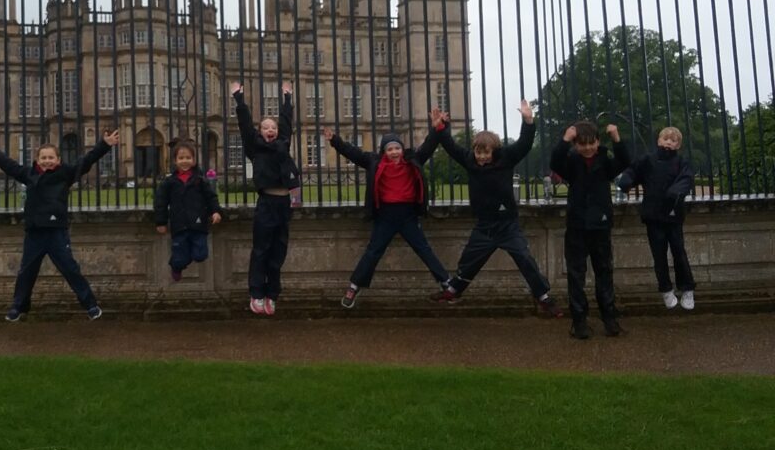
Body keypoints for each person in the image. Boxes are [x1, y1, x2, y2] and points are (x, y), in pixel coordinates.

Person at [432, 102, 563, 318]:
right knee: (469, 259)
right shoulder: (469, 161)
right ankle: (454, 291)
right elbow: (450, 147)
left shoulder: (506, 158)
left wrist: (528, 122)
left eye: (486, 153)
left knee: (524, 258)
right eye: (478, 152)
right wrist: (440, 127)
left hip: (507, 224)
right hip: (484, 225)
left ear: (494, 151)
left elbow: (524, 144)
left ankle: (544, 298)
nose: (481, 157)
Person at [0, 130, 120, 322]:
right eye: (43, 158)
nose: (47, 161)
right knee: (26, 272)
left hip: (56, 232)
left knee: (70, 270)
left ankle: (90, 305)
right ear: (37, 160)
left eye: (51, 158)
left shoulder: (65, 174)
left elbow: (86, 161)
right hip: (35, 232)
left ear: (58, 160)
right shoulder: (29, 174)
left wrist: (104, 144)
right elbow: (10, 166)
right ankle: (18, 307)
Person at [323, 113, 449, 309]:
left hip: (408, 214)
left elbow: (429, 145)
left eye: (397, 148)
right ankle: (354, 287)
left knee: (424, 249)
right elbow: (353, 153)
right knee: (373, 252)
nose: (394, 152)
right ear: (383, 151)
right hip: (386, 215)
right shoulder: (374, 162)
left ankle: (446, 284)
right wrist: (335, 141)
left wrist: (438, 127)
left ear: (402, 149)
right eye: (390, 149)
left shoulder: (412, 159)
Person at [550, 120, 631, 339]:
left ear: (597, 141)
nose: (587, 148)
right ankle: (579, 321)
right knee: (576, 275)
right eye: (582, 144)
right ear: (576, 145)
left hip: (601, 224)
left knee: (604, 271)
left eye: (591, 143)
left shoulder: (604, 160)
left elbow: (625, 161)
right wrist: (565, 139)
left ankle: (609, 317)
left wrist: (616, 137)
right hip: (577, 225)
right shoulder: (572, 162)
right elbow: (555, 162)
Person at [232, 80, 301, 316]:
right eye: (265, 127)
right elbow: (243, 126)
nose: (270, 130)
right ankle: (256, 294)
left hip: (284, 204)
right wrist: (239, 100)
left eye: (273, 127)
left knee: (278, 252)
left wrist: (288, 98)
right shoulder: (255, 148)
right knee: (261, 250)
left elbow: (287, 122)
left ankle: (272, 294)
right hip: (267, 204)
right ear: (260, 132)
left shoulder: (284, 143)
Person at [617, 126, 696, 311]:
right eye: (666, 139)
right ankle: (666, 290)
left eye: (673, 140)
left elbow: (686, 179)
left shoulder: (681, 162)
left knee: (679, 253)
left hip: (673, 215)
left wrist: (674, 193)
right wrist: (626, 182)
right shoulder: (648, 160)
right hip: (653, 215)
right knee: (659, 255)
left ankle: (687, 289)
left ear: (678, 145)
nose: (669, 142)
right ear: (659, 141)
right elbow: (632, 171)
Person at [154, 139, 222, 282]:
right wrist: (161, 222)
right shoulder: (169, 182)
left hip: (198, 225)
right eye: (181, 158)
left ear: (194, 160)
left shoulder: (200, 180)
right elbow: (160, 202)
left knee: (200, 255)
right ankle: (176, 267)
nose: (185, 161)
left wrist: (216, 211)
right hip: (179, 226)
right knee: (179, 258)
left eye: (188, 158)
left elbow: (211, 197)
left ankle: (189, 253)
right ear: (175, 161)